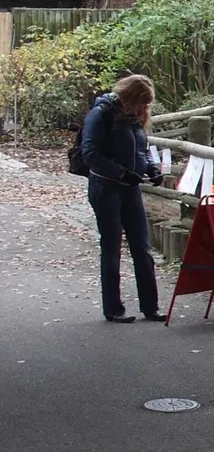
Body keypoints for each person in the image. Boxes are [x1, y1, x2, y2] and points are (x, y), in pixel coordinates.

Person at [80, 75, 164, 322]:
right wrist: (120, 172)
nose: (142, 110)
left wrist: (151, 168)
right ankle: (113, 308)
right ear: (129, 97)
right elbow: (89, 153)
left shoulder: (134, 118)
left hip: (130, 188)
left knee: (142, 247)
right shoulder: (101, 114)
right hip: (105, 188)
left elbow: (142, 149)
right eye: (140, 104)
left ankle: (150, 307)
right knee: (112, 248)